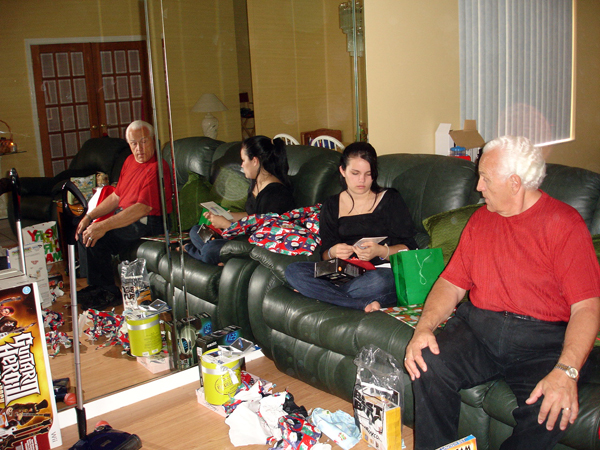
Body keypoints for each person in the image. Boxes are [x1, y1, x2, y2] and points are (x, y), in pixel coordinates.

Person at [404, 136, 600, 449]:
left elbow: (587, 309)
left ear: (514, 183)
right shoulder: (481, 221)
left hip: (543, 341)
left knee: (550, 409)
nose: (478, 187)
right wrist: (424, 328)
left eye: (485, 178)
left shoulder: (565, 225)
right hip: (479, 327)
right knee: (427, 362)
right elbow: (451, 283)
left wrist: (567, 370)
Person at [285, 142, 417, 312]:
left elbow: (410, 248)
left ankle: (322, 294)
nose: (361, 180)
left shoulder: (390, 199)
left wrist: (380, 251)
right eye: (355, 173)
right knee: (294, 270)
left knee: (381, 281)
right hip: (344, 270)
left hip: (380, 271)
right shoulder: (331, 205)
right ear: (343, 171)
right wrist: (333, 252)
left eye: (368, 174)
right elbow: (325, 254)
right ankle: (356, 303)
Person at [76, 120, 172, 309]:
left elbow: (141, 208)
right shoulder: (129, 161)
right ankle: (98, 287)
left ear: (153, 140)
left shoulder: (157, 167)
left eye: (144, 141)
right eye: (134, 143)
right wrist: (89, 217)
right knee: (86, 232)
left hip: (149, 221)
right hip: (128, 216)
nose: (139, 148)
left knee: (99, 237)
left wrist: (102, 226)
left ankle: (108, 293)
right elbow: (116, 196)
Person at [185, 135, 296, 265]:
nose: (242, 165)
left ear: (255, 161)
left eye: (243, 160)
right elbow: (251, 216)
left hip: (255, 245)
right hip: (240, 236)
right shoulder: (256, 184)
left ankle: (196, 251)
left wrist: (227, 225)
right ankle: (215, 256)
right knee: (196, 231)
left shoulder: (276, 194)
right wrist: (227, 216)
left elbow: (264, 235)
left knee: (210, 249)